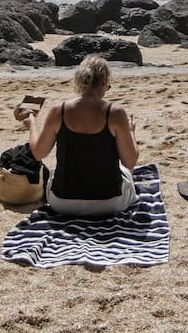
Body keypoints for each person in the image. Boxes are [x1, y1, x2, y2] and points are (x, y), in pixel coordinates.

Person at [14, 56, 140, 217]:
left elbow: (38, 153)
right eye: (108, 85)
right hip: (109, 203)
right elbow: (130, 160)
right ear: (103, 81)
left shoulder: (58, 111)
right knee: (126, 169)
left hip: (62, 203)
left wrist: (32, 123)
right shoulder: (115, 113)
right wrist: (131, 131)